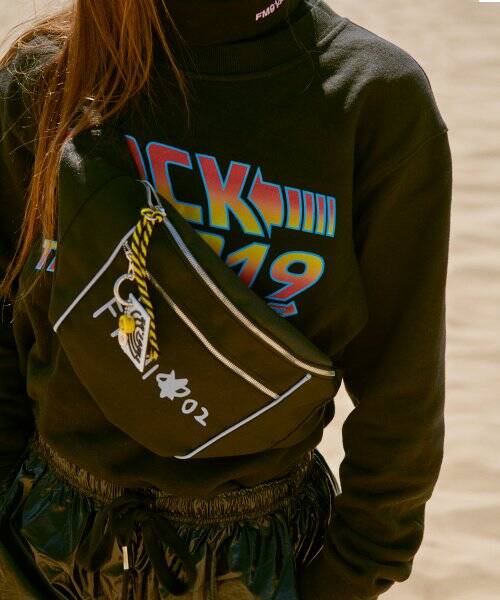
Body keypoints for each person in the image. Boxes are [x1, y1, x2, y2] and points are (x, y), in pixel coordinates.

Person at [0, 0, 452, 599]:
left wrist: (350, 574)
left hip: (259, 559)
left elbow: (402, 392)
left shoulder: (373, 98)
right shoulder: (47, 78)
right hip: (40, 540)